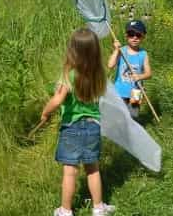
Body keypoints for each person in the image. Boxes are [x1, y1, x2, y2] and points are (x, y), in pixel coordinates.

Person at [41, 28, 116, 216]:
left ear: (72, 50)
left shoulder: (69, 73)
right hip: (93, 126)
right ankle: (98, 207)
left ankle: (65, 210)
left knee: (70, 171)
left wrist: (45, 113)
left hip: (72, 128)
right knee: (93, 168)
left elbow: (57, 100)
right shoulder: (98, 74)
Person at [107, 20, 152, 120]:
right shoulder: (121, 50)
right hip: (119, 91)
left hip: (136, 91)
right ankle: (119, 134)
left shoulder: (143, 54)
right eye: (131, 34)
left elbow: (149, 74)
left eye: (138, 35)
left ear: (143, 36)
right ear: (126, 36)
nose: (134, 37)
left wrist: (140, 76)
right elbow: (110, 65)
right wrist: (116, 50)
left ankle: (131, 133)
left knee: (133, 117)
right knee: (119, 117)